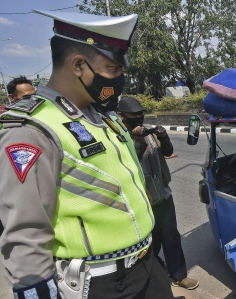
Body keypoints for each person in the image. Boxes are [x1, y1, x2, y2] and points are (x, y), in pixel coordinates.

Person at [0, 10, 176, 299]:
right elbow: (25, 231)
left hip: (146, 266)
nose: (119, 79)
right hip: (100, 284)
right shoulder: (33, 129)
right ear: (79, 65)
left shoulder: (103, 117)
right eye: (113, 69)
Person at [117, 96, 199, 290]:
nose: (139, 118)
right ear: (121, 116)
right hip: (143, 201)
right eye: (133, 115)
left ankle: (178, 275)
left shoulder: (148, 133)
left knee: (171, 236)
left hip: (163, 195)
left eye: (141, 114)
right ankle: (153, 277)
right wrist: (137, 140)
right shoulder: (120, 138)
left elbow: (167, 152)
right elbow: (128, 164)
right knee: (149, 243)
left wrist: (163, 137)